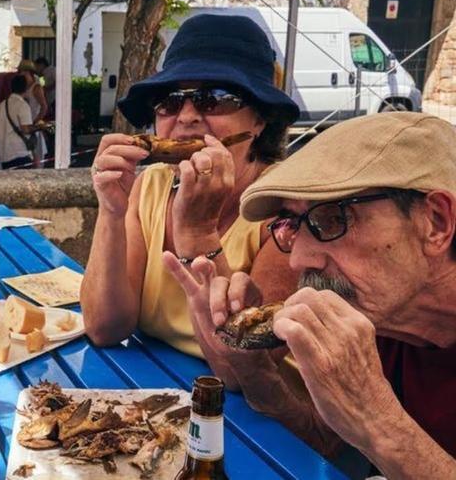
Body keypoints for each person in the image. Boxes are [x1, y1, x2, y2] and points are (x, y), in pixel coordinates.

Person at [165, 112, 456, 477]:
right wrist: (255, 372)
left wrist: (381, 423)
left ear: (436, 222)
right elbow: (329, 443)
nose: (299, 260)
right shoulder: (379, 321)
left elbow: (376, 435)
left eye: (333, 219)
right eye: (293, 225)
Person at [80, 14, 301, 369]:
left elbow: (250, 370)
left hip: (251, 417)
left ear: (260, 120)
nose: (185, 116)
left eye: (212, 99)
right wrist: (111, 211)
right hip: (149, 386)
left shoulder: (288, 210)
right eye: (168, 101)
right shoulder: (152, 184)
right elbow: (105, 327)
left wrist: (198, 232)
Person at [0, 75, 36, 170]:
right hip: (20, 153)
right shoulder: (23, 105)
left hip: (4, 154)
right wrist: (39, 127)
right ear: (26, 88)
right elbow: (25, 129)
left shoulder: (1, 105)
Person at [17, 60, 49, 168]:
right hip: (25, 126)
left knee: (36, 157)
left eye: (22, 72)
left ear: (28, 72)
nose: (20, 74)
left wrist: (36, 122)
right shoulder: (22, 87)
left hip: (33, 127)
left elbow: (44, 107)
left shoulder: (36, 87)